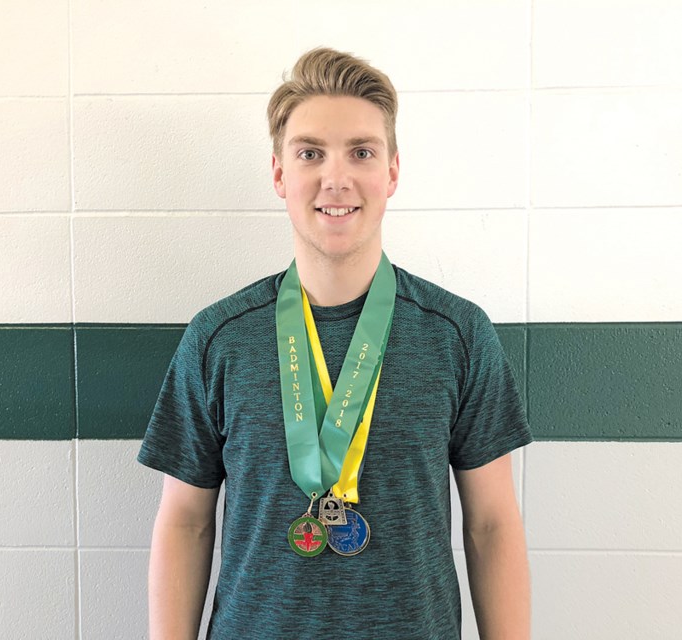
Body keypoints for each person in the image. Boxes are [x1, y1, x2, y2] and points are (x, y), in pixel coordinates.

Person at [138, 47, 533, 639]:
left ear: (392, 171)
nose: (336, 178)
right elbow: (185, 524)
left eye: (361, 152)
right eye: (310, 153)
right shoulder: (219, 339)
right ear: (279, 173)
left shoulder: (458, 336)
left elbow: (492, 525)